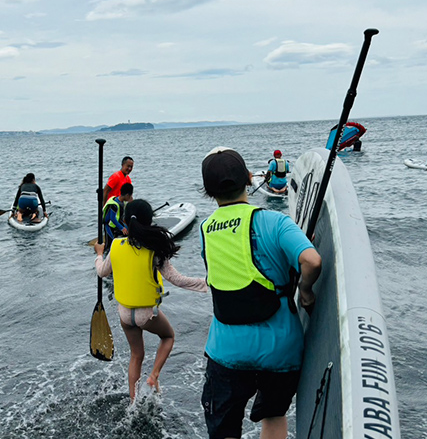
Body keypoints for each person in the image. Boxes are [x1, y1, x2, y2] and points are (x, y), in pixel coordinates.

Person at [199, 147, 322, 439]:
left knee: (224, 431)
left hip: (227, 350)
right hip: (280, 349)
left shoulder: (205, 230)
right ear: (249, 179)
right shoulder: (276, 222)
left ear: (208, 191)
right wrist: (305, 291)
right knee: (274, 416)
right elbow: (312, 261)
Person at [94, 199, 208, 402]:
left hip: (124, 314)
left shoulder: (117, 245)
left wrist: (99, 254)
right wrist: (206, 283)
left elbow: (102, 271)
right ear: (150, 222)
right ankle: (154, 376)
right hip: (146, 314)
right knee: (168, 337)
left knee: (136, 355)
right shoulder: (154, 249)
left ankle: (133, 402)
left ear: (125, 222)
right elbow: (177, 280)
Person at [102, 183, 134, 252]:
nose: (131, 197)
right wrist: (122, 228)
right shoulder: (114, 205)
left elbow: (122, 216)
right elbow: (112, 218)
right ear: (127, 195)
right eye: (130, 196)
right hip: (109, 225)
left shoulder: (123, 203)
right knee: (109, 244)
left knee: (128, 233)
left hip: (117, 223)